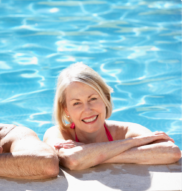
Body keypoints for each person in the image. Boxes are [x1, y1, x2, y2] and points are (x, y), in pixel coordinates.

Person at [44, 62, 181, 170]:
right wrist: (133, 143)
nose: (87, 109)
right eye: (76, 103)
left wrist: (90, 156)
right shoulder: (57, 133)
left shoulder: (127, 131)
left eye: (93, 99)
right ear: (66, 109)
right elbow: (73, 160)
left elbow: (172, 152)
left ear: (106, 99)